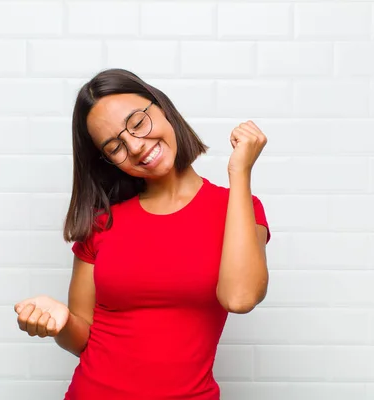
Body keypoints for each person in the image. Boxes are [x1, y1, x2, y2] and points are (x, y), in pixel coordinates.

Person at [14, 68, 271, 400]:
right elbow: (82, 339)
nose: (135, 147)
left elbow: (240, 298)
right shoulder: (103, 223)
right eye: (115, 147)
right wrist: (61, 322)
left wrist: (240, 173)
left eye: (136, 123)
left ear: (161, 107)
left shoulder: (237, 208)